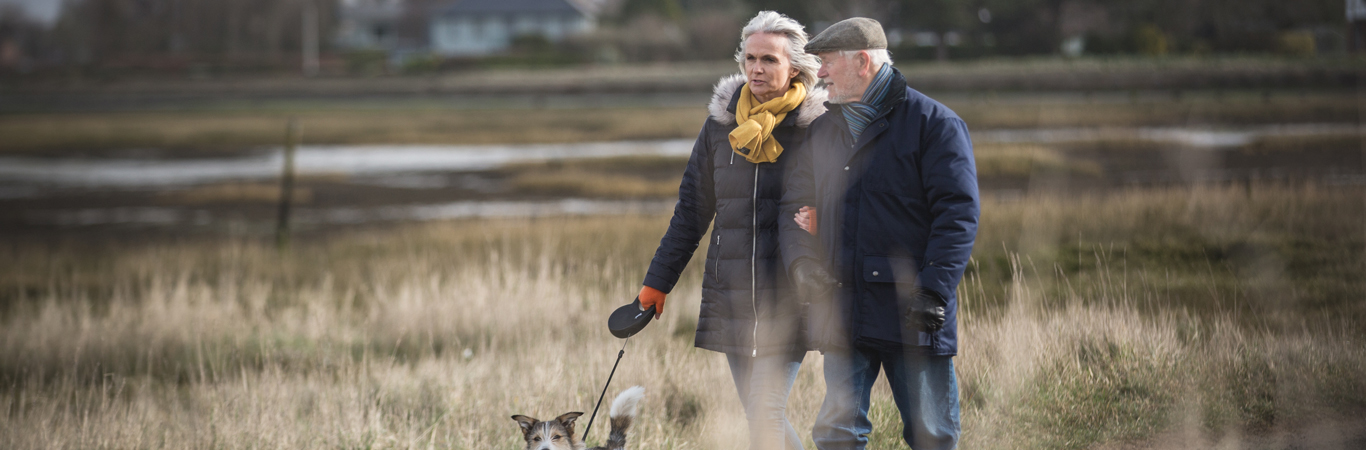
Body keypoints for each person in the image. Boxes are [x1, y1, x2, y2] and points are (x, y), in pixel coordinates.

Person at [779, 17, 980, 450]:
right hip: (843, 307)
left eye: (828, 62)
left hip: (914, 311)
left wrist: (933, 291)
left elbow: (958, 215)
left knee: (933, 436)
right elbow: (797, 207)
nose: (821, 73)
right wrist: (803, 264)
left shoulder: (935, 125)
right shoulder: (822, 130)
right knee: (836, 435)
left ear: (863, 62)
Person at [635, 10, 827, 450]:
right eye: (750, 58)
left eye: (769, 60)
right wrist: (656, 283)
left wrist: (827, 220)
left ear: (794, 68)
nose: (756, 68)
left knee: (765, 413)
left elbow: (848, 198)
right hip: (732, 294)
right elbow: (691, 213)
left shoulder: (816, 127)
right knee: (761, 416)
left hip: (790, 295)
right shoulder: (721, 126)